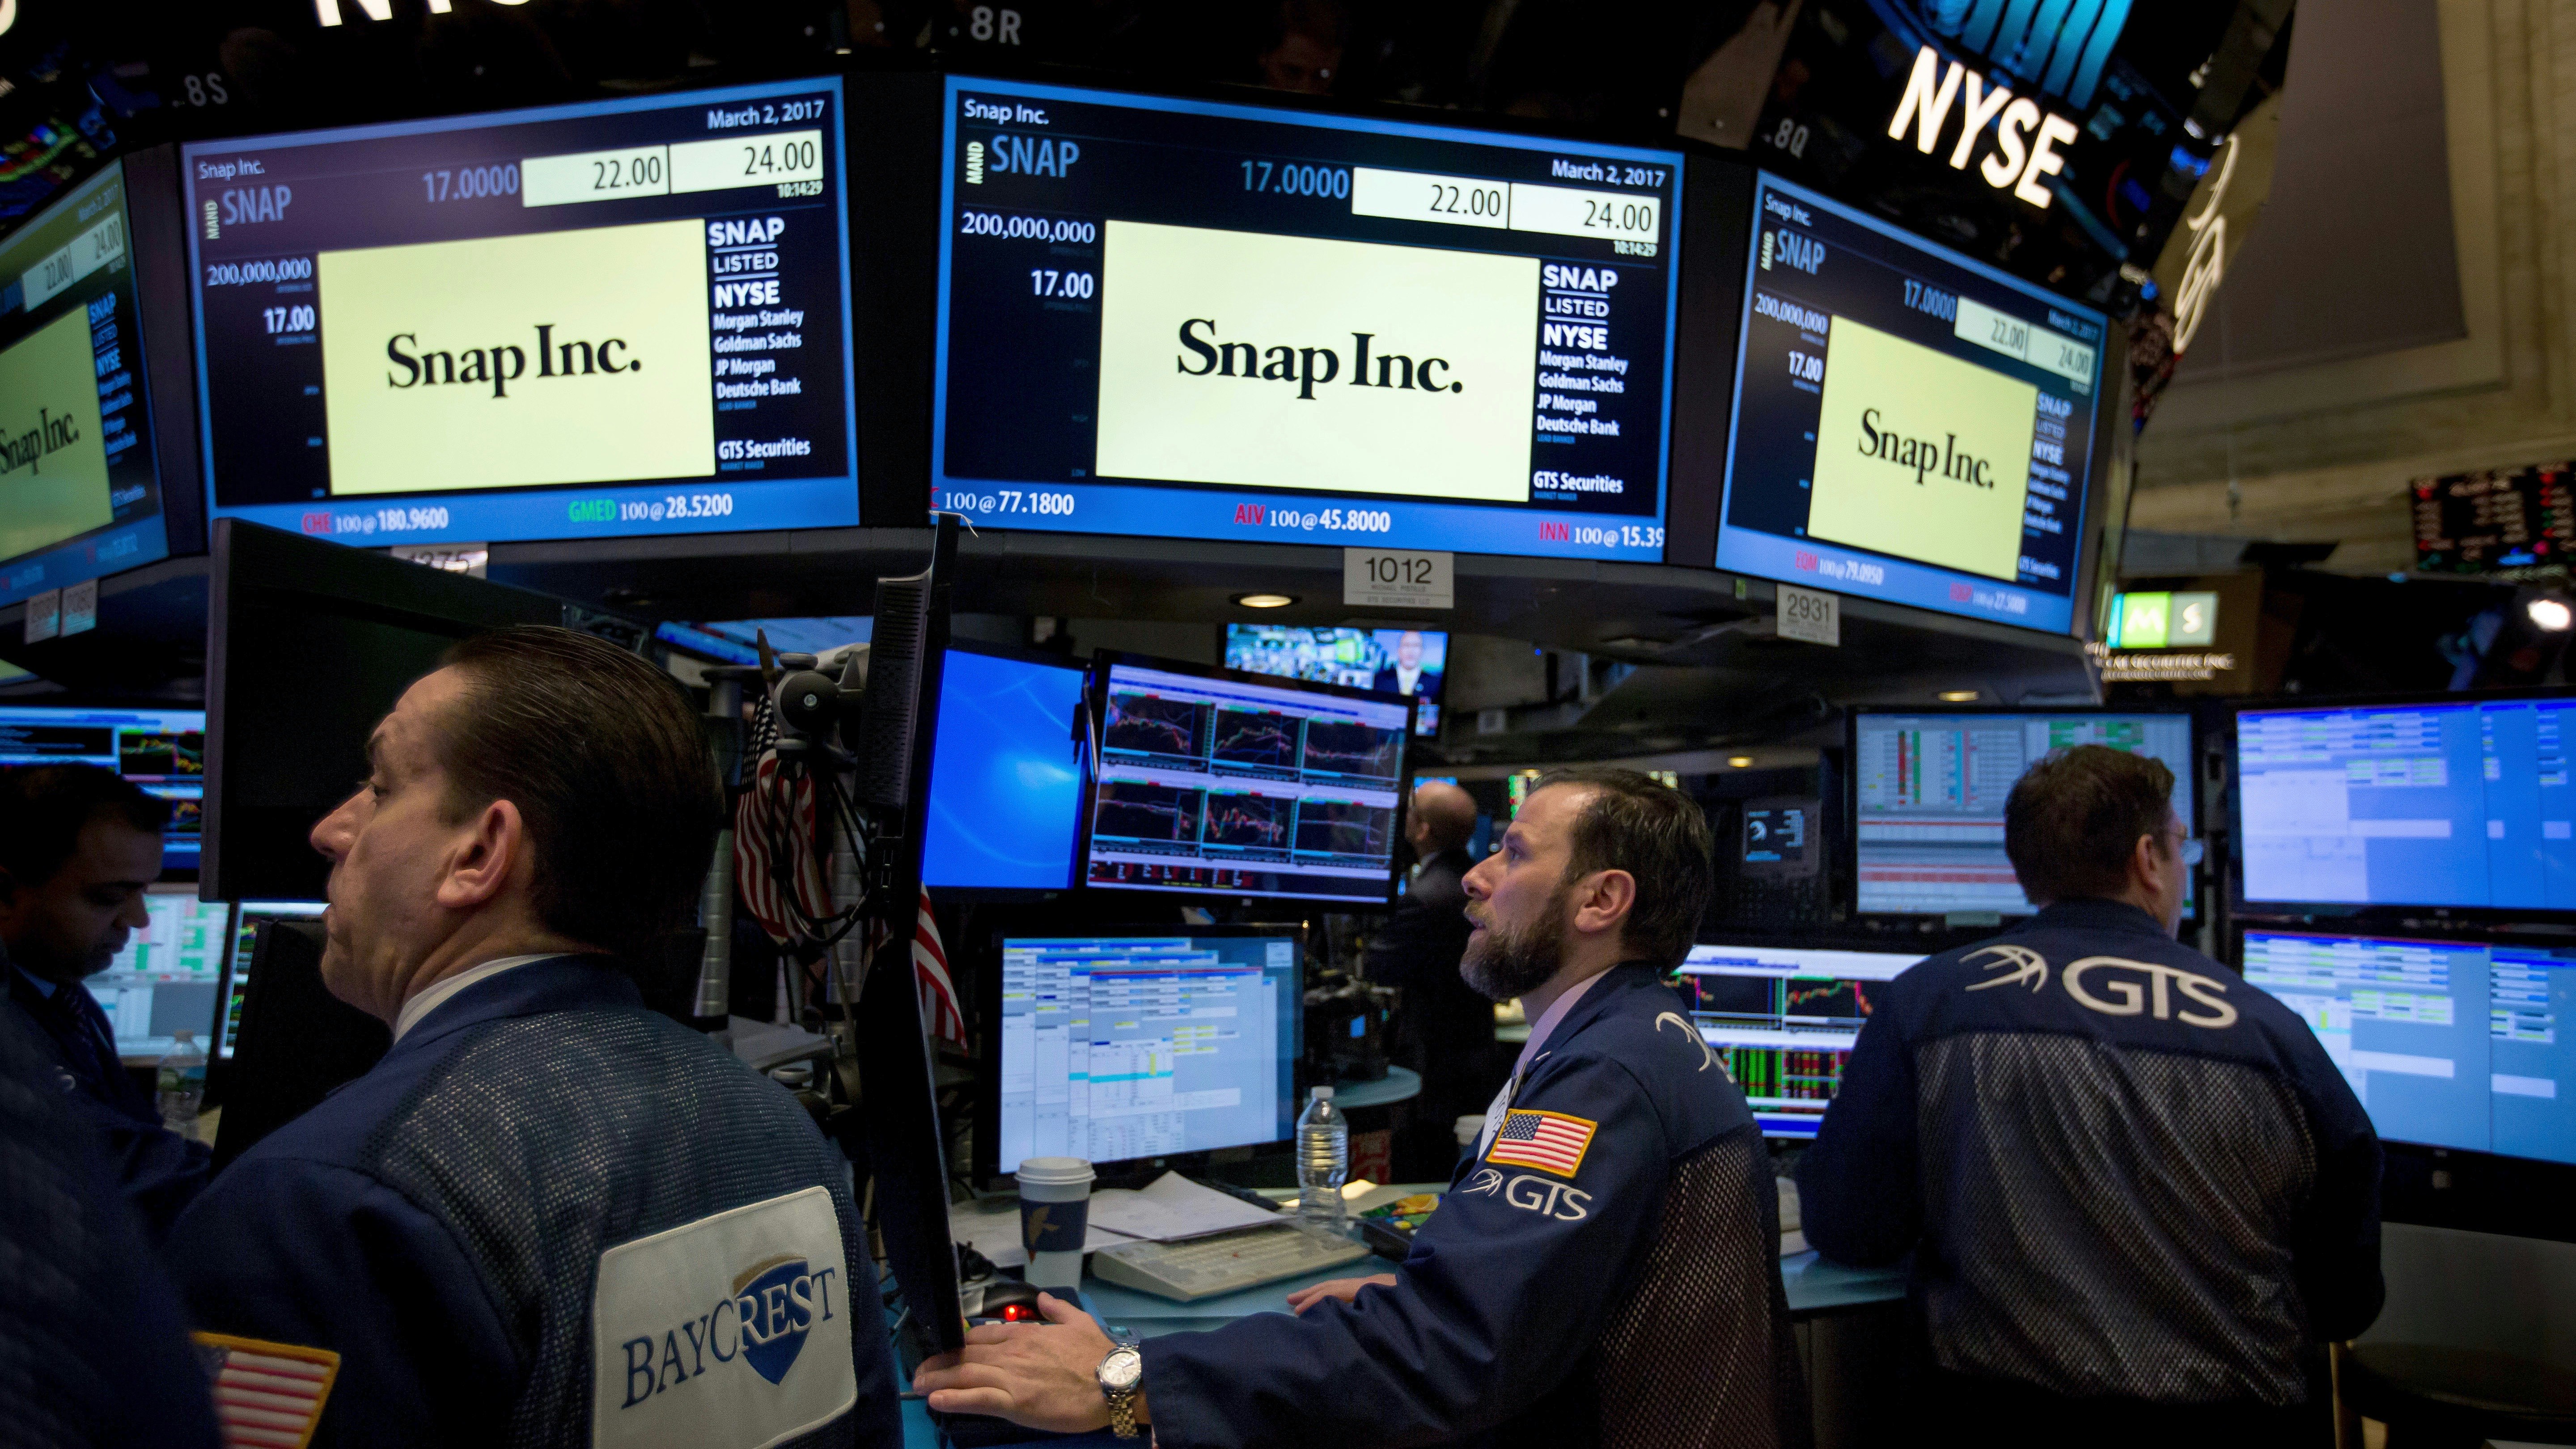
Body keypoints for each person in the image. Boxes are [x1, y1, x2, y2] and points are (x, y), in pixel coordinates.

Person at [166, 627, 904, 1449]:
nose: (333, 829)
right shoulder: (776, 1127)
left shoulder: (322, 1206)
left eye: (377, 786)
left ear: (480, 851)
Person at [919, 767, 1806, 1449]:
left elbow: (1451, 1354)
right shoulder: (1638, 1033)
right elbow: (1548, 1305)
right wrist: (1428, 1290)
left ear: (1601, 899)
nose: (1476, 877)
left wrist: (1126, 1374)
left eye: (1515, 852)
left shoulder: (1607, 1071)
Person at [1797, 745, 2382, 1446]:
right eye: (2179, 846)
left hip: (1992, 1423)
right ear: (2148, 859)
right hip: (2236, 1426)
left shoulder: (1927, 1004)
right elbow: (2346, 1299)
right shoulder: (2272, 1035)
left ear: (2025, 869)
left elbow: (1850, 1226)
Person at [0, 764, 210, 1238]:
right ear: (6, 892)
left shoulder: (63, 991)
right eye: (108, 897)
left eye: (142, 891)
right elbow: (101, 1161)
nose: (136, 920)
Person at [0, 1000, 221, 1448]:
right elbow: (115, 1154)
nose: (136, 924)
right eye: (100, 919)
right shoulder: (16, 1032)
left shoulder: (76, 1005)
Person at [1365, 780, 1503, 1177]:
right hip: (1480, 1061)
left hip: (1431, 1076)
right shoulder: (1481, 889)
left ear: (1422, 829)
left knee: (1426, 1174)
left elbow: (1378, 970)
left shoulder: (1422, 897)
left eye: (1408, 813)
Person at [1370, 630, 1441, 701]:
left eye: (1416, 646)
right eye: (1407, 645)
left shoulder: (1435, 684)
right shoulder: (1379, 679)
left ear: (1422, 651)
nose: (1411, 651)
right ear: (1399, 651)